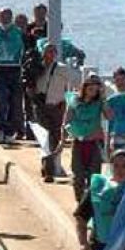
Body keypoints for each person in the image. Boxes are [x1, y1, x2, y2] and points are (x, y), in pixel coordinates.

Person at [74, 149, 125, 250]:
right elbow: (81, 217)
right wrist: (83, 244)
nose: (120, 170)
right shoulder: (98, 189)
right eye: (115, 165)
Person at [32, 43, 81, 182]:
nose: (50, 54)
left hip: (57, 108)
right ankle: (49, 169)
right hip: (41, 108)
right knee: (45, 138)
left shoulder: (62, 69)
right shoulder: (36, 68)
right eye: (48, 51)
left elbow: (76, 81)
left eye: (53, 52)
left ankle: (48, 167)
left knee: (54, 138)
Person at [0, 8, 25, 144]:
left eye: (8, 15)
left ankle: (10, 131)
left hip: (14, 68)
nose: (5, 18)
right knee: (1, 100)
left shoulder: (17, 32)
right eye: (2, 15)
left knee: (14, 101)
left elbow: (20, 48)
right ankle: (0, 129)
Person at [68, 74, 107, 202]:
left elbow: (110, 116)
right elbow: (67, 119)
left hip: (94, 143)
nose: (93, 91)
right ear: (85, 87)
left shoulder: (99, 103)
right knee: (78, 176)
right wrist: (66, 134)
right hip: (78, 142)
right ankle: (80, 202)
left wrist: (104, 99)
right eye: (91, 87)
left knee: (94, 177)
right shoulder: (74, 100)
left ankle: (91, 206)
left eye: (96, 89)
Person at [106, 68, 125, 151]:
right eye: (117, 80)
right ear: (114, 82)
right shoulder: (111, 100)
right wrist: (108, 143)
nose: (120, 82)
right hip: (118, 139)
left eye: (122, 79)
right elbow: (110, 122)